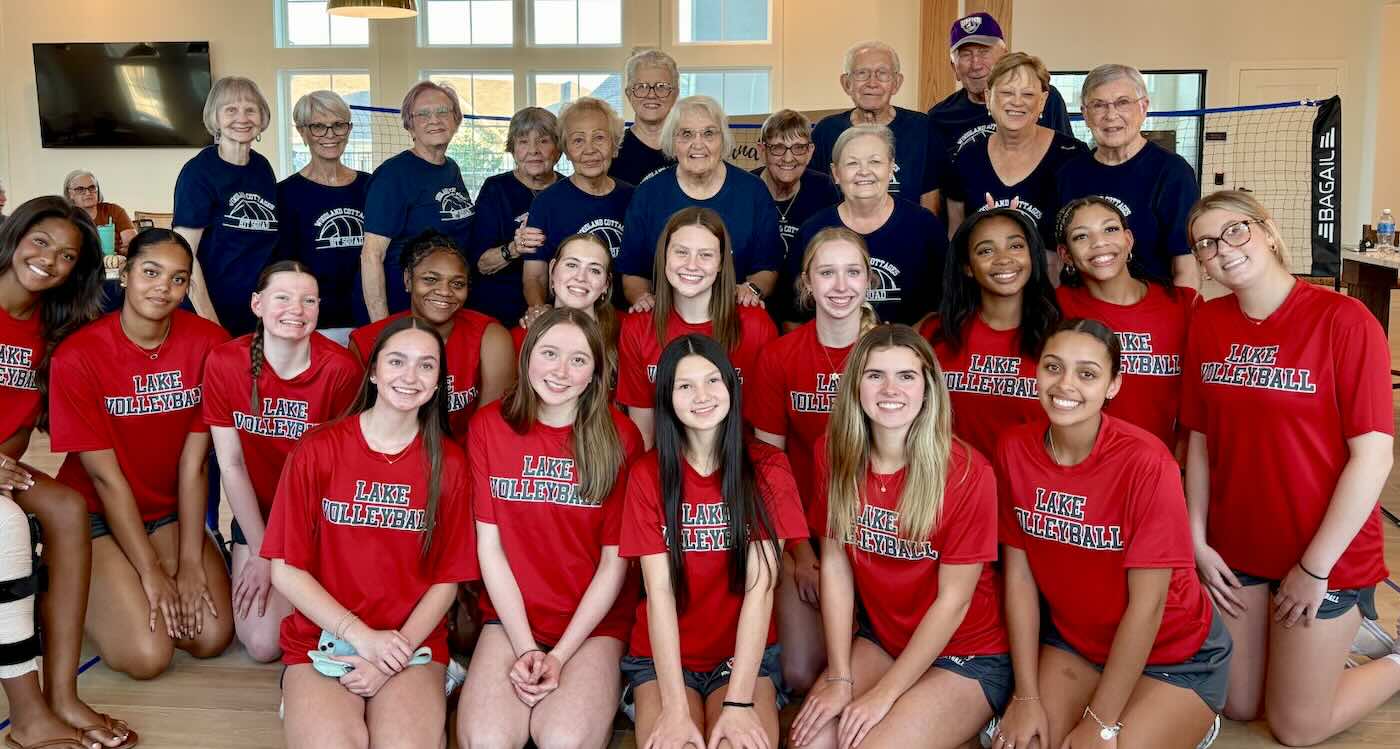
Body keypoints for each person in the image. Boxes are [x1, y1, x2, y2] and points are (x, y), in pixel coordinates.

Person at [1183, 191, 1400, 746]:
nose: (1222, 250)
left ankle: (1392, 657)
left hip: (1325, 550)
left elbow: (1373, 456)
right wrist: (1199, 541)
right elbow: (1201, 443)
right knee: (1237, 703)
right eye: (1205, 244)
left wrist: (1315, 568)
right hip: (1240, 546)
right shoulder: (1207, 323)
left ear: (1267, 230)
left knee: (1295, 727)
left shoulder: (1344, 320)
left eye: (1235, 231)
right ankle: (1326, 648)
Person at [993, 318, 1229, 749]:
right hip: (1077, 643)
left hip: (1173, 654)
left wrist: (1100, 723)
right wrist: (1025, 696)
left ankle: (1193, 721)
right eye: (1052, 367)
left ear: (1114, 385)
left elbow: (1149, 605)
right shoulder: (1014, 447)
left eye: (1087, 374)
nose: (1065, 385)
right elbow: (1020, 580)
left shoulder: (1147, 464)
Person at [791, 324, 1010, 749]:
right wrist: (839, 675)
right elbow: (835, 564)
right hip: (885, 639)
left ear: (928, 387)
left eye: (906, 376)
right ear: (856, 385)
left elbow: (954, 601)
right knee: (811, 744)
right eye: (875, 375)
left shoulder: (968, 472)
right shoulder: (832, 452)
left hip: (967, 652)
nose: (891, 389)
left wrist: (884, 696)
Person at [265, 316, 476, 749]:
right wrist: (361, 637)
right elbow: (286, 571)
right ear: (374, 371)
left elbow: (447, 581)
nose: (410, 377)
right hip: (325, 635)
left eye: (426, 366)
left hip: (410, 640)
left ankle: (436, 683)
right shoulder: (318, 449)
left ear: (438, 383)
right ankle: (301, 693)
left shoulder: (450, 465)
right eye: (397, 361)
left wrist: (390, 655)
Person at [49, 228, 234, 679]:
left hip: (166, 512)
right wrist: (151, 573)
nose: (163, 288)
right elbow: (105, 480)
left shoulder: (208, 343)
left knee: (208, 637)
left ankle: (161, 570)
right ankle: (60, 578)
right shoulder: (78, 356)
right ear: (126, 273)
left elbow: (195, 465)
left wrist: (189, 565)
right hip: (95, 514)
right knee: (147, 657)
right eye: (151, 272)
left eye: (177, 279)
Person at [456, 308, 644, 748]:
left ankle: (610, 685)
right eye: (549, 353)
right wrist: (526, 648)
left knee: (562, 739)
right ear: (526, 358)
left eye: (578, 360)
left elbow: (613, 565)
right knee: (485, 740)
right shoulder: (489, 427)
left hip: (592, 624)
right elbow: (490, 549)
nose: (561, 371)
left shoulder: (621, 437)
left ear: (596, 371)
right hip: (511, 618)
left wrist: (559, 655)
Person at [620, 334, 806, 749]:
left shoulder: (769, 468)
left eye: (712, 381)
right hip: (663, 660)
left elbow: (761, 592)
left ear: (730, 387)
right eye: (685, 386)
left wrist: (739, 704)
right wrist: (674, 709)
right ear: (667, 398)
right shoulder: (646, 474)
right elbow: (660, 594)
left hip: (741, 660)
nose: (701, 396)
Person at [0, 196, 136, 748]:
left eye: (66, 256)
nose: (49, 261)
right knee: (9, 526)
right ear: (13, 237)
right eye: (40, 243)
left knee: (66, 505)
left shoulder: (50, 327)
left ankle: (62, 694)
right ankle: (28, 713)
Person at [203, 261, 363, 663]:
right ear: (257, 304)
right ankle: (228, 554)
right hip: (258, 514)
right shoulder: (224, 362)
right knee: (260, 644)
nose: (297, 308)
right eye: (283, 298)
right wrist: (261, 552)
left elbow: (340, 473)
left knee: (293, 627)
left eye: (308, 300)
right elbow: (232, 464)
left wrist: (293, 555)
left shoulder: (340, 370)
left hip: (317, 519)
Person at [747, 228, 878, 691]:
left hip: (877, 533)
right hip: (806, 531)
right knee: (801, 673)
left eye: (852, 272)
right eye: (827, 273)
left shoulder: (892, 353)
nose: (840, 286)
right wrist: (799, 551)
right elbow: (768, 464)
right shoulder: (780, 355)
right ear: (807, 283)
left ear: (869, 280)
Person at [616, 208, 777, 448]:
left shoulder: (754, 325)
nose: (692, 265)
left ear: (722, 262)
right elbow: (644, 434)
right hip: (667, 469)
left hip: (737, 468)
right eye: (681, 252)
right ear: (664, 256)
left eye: (705, 255)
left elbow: (766, 430)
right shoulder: (638, 326)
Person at [1055, 196, 1196, 450]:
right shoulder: (1055, 309)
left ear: (1128, 239)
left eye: (1110, 229)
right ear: (1065, 255)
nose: (1099, 243)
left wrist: (1182, 458)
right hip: (1084, 468)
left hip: (1159, 467)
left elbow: (1199, 398)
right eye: (1081, 236)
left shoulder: (1182, 304)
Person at [616, 96, 783, 310]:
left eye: (709, 133)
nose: (698, 144)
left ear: (723, 140)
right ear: (672, 141)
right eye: (686, 134)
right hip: (665, 318)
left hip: (733, 316)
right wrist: (643, 299)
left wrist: (751, 290)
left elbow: (768, 268)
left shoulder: (753, 192)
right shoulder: (648, 194)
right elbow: (632, 271)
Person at [349, 231, 514, 441]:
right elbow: (356, 428)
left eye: (457, 284)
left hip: (463, 461)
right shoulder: (367, 341)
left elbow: (490, 427)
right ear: (408, 279)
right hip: (389, 458)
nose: (444, 291)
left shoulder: (489, 336)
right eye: (430, 279)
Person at [922, 207, 1059, 459]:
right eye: (986, 250)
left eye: (1016, 246)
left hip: (1030, 491)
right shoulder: (936, 333)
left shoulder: (1061, 337)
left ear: (1032, 254)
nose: (1003, 259)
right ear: (967, 267)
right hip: (953, 488)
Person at [1057, 64, 1200, 289]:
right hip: (1083, 312)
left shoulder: (1172, 172)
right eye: (1098, 105)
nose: (1111, 115)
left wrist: (1181, 319)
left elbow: (1185, 263)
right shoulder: (1068, 174)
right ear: (1085, 113)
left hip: (1151, 310)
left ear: (1143, 107)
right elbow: (1058, 257)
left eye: (1123, 103)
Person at [788, 125, 947, 327]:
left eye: (875, 161)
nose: (864, 171)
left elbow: (946, 304)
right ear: (836, 173)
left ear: (891, 169)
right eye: (852, 163)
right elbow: (792, 316)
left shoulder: (925, 226)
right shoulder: (812, 231)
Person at [943, 53, 1087, 248]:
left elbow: (1084, 236)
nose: (1017, 102)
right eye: (1006, 93)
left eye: (1028, 94)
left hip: (1054, 277)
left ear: (1043, 100)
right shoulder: (967, 158)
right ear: (988, 97)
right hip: (983, 276)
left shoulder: (1072, 156)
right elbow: (955, 236)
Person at [926, 12, 1072, 203]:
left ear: (1004, 57)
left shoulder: (1043, 98)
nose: (976, 64)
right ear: (954, 68)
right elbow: (938, 190)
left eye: (984, 52)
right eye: (965, 55)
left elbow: (1069, 165)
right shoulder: (939, 117)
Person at [173, 76, 279, 335]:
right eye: (231, 109)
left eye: (250, 109)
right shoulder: (199, 172)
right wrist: (213, 326)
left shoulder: (262, 168)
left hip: (256, 312)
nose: (242, 118)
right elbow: (184, 255)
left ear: (262, 117)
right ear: (215, 118)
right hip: (209, 313)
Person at [362, 81, 474, 320]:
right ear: (410, 127)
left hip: (441, 306)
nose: (434, 119)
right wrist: (381, 326)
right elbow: (372, 255)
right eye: (422, 114)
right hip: (401, 309)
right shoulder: (393, 175)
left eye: (443, 111)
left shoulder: (451, 168)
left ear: (456, 120)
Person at [276, 90, 371, 342]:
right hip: (313, 324)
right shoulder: (285, 193)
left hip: (366, 318)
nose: (330, 135)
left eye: (338, 125)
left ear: (348, 130)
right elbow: (285, 268)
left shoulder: (371, 186)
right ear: (302, 132)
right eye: (318, 126)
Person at [523, 97, 633, 315]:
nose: (589, 150)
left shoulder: (635, 198)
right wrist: (538, 309)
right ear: (565, 149)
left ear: (614, 145)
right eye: (578, 140)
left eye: (599, 138)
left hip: (624, 322)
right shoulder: (547, 203)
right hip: (567, 319)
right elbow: (534, 275)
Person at [468, 107, 564, 326]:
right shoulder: (495, 189)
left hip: (556, 310)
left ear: (558, 149)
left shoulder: (568, 189)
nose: (533, 150)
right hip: (499, 309)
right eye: (523, 142)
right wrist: (514, 248)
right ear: (512, 149)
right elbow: (481, 264)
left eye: (543, 141)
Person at [811, 41, 936, 205]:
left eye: (882, 73)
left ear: (896, 83)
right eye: (862, 73)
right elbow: (814, 195)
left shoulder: (922, 128)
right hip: (840, 230)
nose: (872, 82)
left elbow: (930, 199)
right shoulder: (826, 131)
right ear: (846, 83)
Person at [753, 110, 841, 264]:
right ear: (762, 150)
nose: (788, 158)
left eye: (799, 148)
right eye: (778, 148)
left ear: (810, 151)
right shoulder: (745, 190)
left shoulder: (825, 189)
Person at [512, 233, 618, 356]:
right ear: (552, 270)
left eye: (594, 270)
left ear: (606, 284)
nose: (580, 277)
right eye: (571, 265)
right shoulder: (519, 339)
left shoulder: (627, 332)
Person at [611, 49, 679, 186]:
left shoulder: (693, 146)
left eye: (662, 86)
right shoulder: (612, 150)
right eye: (641, 86)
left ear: (675, 93)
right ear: (628, 94)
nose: (652, 95)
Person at [63, 170, 137, 254]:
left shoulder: (114, 211)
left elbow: (133, 244)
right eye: (80, 189)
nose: (88, 193)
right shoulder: (66, 217)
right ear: (70, 194)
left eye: (92, 187)